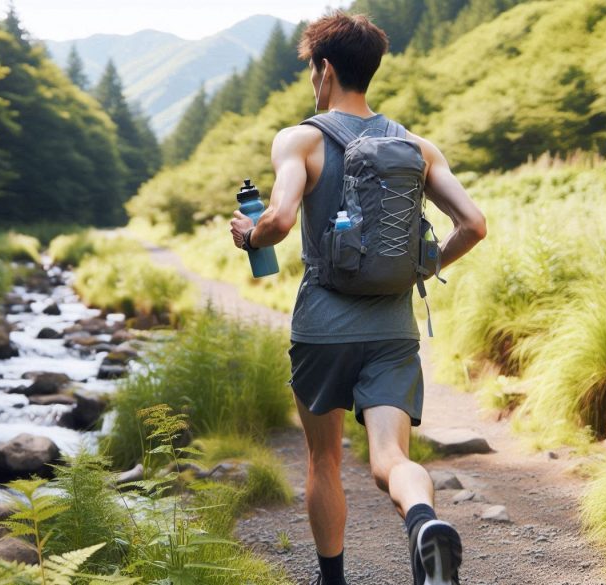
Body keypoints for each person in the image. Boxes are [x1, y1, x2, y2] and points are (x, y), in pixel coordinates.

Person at [228, 10, 487, 585]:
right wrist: (420, 270)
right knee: (391, 459)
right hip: (393, 328)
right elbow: (473, 223)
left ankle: (333, 580)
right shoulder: (418, 147)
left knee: (324, 459)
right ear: (370, 69)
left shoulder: (301, 138)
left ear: (323, 69)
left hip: (323, 325)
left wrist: (249, 235)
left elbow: (280, 218)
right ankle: (423, 523)